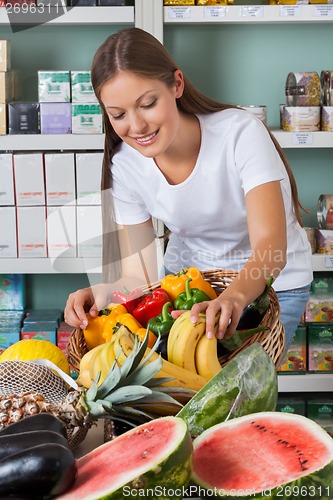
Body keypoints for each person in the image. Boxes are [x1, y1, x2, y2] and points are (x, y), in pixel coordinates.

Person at [64, 27, 313, 352]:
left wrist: (233, 298)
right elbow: (137, 278)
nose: (136, 127)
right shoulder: (125, 166)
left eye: (148, 104)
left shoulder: (239, 134)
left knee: (243, 396)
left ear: (177, 84)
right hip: (190, 285)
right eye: (119, 115)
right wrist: (102, 293)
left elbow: (271, 246)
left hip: (274, 285)